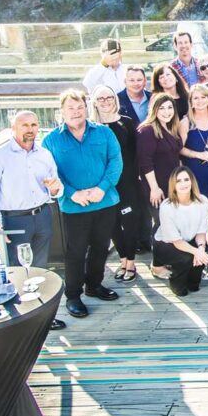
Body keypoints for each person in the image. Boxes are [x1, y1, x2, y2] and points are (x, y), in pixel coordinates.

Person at [0, 110, 67, 329]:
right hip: (15, 221)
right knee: (16, 271)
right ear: (13, 129)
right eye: (24, 125)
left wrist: (55, 189)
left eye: (34, 125)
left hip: (43, 215)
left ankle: (40, 316)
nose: (30, 129)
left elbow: (55, 188)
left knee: (39, 269)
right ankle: (18, 320)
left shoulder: (44, 154)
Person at [42, 89, 122, 319]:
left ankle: (94, 286)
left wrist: (102, 188)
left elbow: (115, 161)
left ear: (86, 108)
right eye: (71, 108)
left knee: (101, 247)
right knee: (75, 252)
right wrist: (71, 193)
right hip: (74, 206)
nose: (76, 112)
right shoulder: (51, 140)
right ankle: (73, 295)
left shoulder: (104, 133)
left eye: (80, 107)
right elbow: (49, 172)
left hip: (104, 201)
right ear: (62, 111)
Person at [89, 86, 140, 283]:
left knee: (129, 221)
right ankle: (123, 259)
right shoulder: (90, 126)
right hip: (103, 184)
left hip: (126, 181)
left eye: (109, 97)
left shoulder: (125, 122)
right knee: (112, 223)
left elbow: (135, 153)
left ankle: (132, 262)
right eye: (100, 98)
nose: (105, 101)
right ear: (94, 101)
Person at [137, 93, 184, 281]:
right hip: (157, 188)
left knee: (171, 225)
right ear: (154, 110)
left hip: (172, 186)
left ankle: (168, 259)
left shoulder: (171, 128)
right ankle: (156, 265)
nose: (166, 112)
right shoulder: (147, 130)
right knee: (161, 226)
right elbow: (145, 162)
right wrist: (154, 188)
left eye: (170, 108)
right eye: (162, 108)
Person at [154, 166, 208, 296]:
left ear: (192, 181)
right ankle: (176, 282)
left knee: (206, 253)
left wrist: (201, 249)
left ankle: (193, 279)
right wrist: (196, 252)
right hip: (166, 244)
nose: (184, 183)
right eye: (179, 181)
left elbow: (201, 232)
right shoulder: (167, 206)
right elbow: (177, 241)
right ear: (173, 185)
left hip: (190, 239)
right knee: (186, 259)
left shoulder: (202, 201)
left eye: (186, 179)